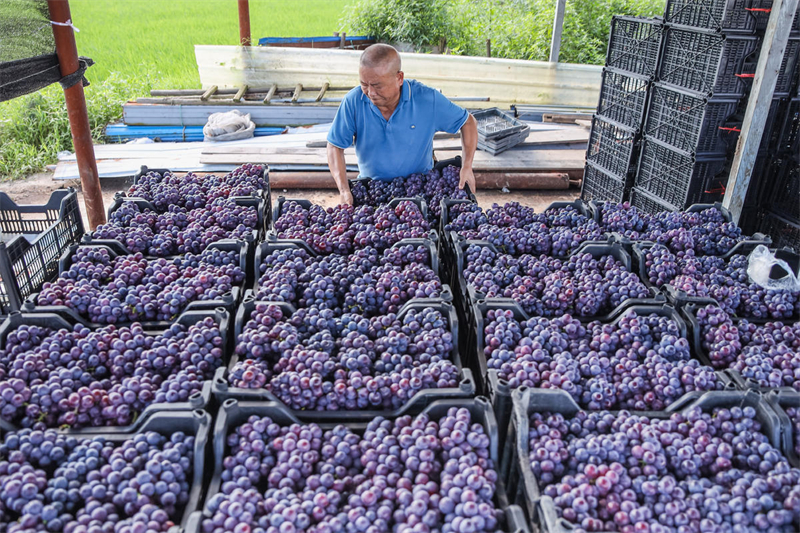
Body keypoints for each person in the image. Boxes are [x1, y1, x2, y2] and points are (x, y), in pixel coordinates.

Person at [326, 43, 478, 205]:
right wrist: (344, 190)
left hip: (421, 190)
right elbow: (335, 145)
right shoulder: (353, 101)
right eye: (364, 84)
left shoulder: (427, 99)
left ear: (399, 78)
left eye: (377, 86)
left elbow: (468, 122)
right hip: (372, 192)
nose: (370, 93)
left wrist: (467, 166)